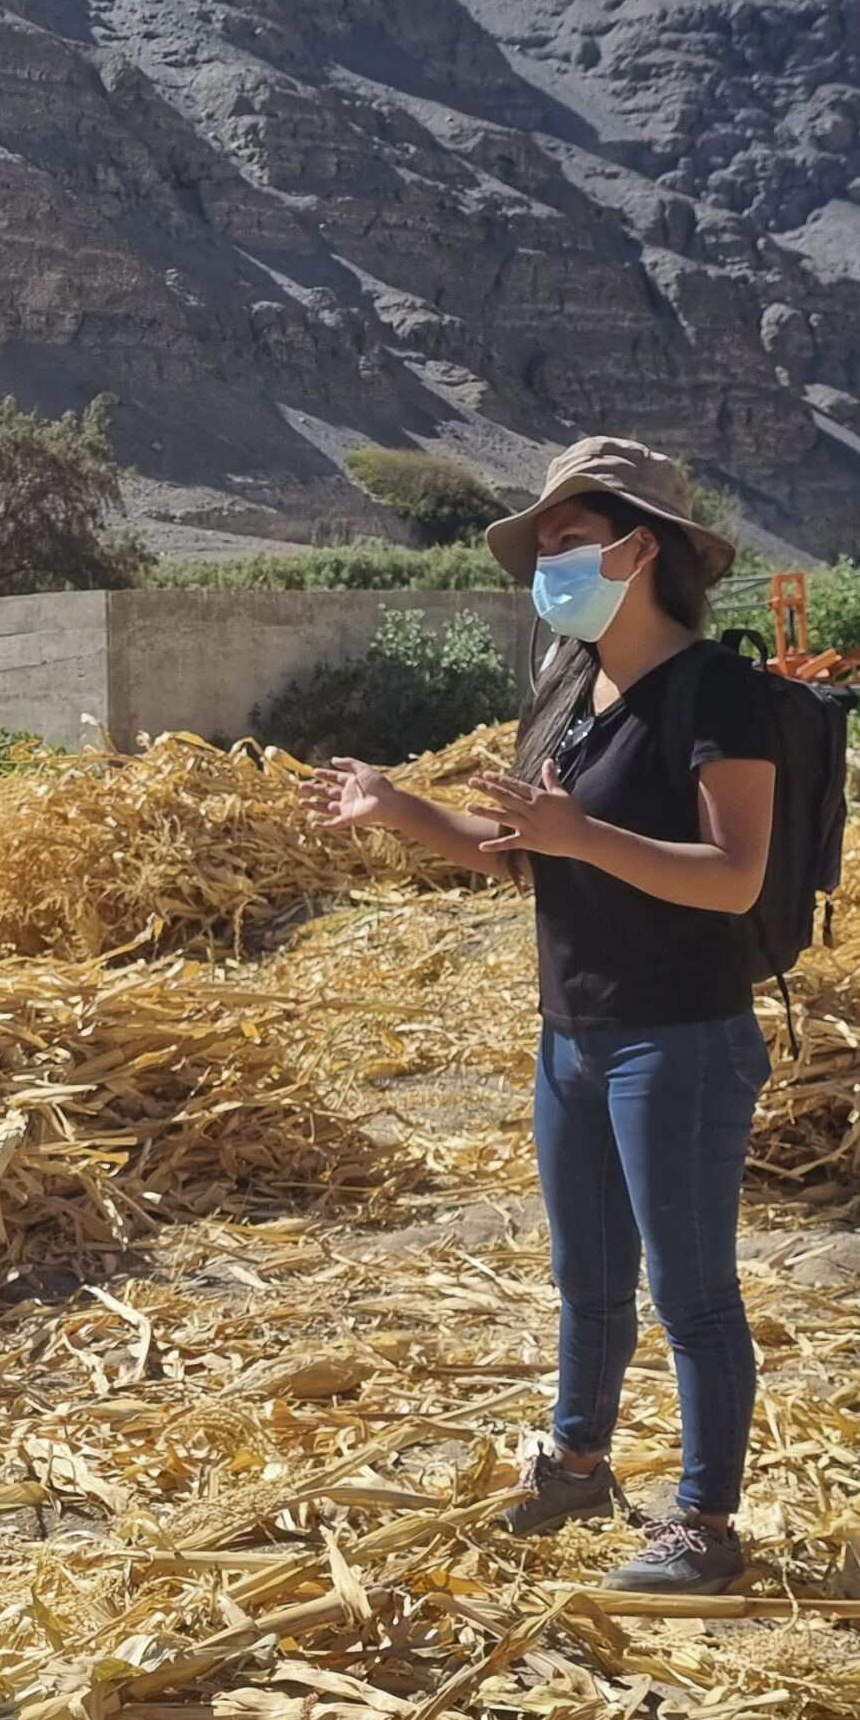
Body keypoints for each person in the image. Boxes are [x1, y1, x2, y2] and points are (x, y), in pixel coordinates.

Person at [301, 438, 776, 1596]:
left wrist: (585, 837)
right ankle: (576, 1463)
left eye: (567, 543)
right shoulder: (570, 691)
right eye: (547, 549)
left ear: (639, 547)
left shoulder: (719, 693)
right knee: (589, 1275)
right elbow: (521, 859)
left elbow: (734, 877)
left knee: (693, 1291)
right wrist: (395, 805)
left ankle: (707, 1525)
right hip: (575, 1033)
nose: (549, 568)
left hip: (681, 1035)